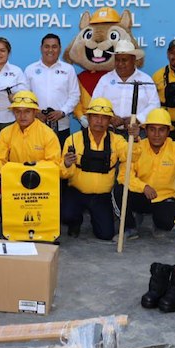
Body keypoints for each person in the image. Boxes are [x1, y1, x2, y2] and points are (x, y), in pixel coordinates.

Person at [114, 108, 175, 239]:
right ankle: (130, 226)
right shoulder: (137, 147)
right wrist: (143, 187)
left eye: (161, 129)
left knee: (167, 223)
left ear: (168, 131)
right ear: (146, 130)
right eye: (152, 129)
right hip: (140, 194)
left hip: (163, 197)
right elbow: (124, 176)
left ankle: (158, 222)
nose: (156, 134)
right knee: (119, 189)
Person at [0, 90, 62, 236]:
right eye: (18, 111)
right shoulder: (6, 132)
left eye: (27, 111)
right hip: (13, 182)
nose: (22, 115)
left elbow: (54, 164)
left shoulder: (47, 134)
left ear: (35, 112)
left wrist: (33, 170)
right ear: (13, 113)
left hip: (40, 182)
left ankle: (46, 231)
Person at [61, 97, 129, 241]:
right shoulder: (73, 139)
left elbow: (130, 157)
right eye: (95, 116)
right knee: (66, 215)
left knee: (105, 235)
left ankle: (97, 217)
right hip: (77, 192)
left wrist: (134, 140)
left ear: (110, 120)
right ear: (89, 118)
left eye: (104, 118)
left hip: (101, 195)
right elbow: (64, 174)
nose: (99, 121)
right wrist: (66, 164)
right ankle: (75, 221)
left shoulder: (117, 141)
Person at [91, 40, 160, 136]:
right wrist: (110, 117)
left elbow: (155, 104)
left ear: (133, 60)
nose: (120, 64)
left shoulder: (145, 80)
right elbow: (94, 103)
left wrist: (137, 119)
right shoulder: (105, 80)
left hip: (138, 132)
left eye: (124, 60)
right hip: (110, 131)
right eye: (117, 60)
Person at [24, 33, 80, 146]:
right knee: (36, 159)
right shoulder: (30, 69)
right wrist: (36, 112)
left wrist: (62, 112)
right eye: (47, 46)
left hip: (61, 125)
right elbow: (25, 96)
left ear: (60, 49)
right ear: (41, 48)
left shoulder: (68, 69)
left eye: (54, 46)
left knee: (59, 159)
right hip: (36, 123)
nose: (50, 50)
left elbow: (75, 95)